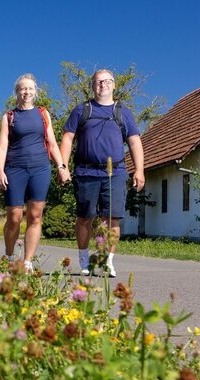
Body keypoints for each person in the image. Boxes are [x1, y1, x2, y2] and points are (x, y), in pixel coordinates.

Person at [59, 69, 145, 277]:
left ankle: (107, 261)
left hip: (115, 172)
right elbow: (68, 138)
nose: (102, 85)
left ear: (114, 85)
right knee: (84, 218)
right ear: (92, 86)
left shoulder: (122, 112)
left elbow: (134, 142)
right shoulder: (81, 111)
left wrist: (139, 170)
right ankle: (84, 258)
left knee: (112, 219)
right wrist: (62, 166)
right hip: (86, 172)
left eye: (106, 81)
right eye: (98, 82)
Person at [0, 73, 70, 273]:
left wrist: (61, 167)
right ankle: (10, 256)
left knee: (35, 216)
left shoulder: (43, 114)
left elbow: (52, 143)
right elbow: (2, 147)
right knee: (14, 217)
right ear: (17, 92)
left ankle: (27, 261)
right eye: (22, 88)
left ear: (35, 92)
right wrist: (0, 171)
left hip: (40, 168)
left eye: (30, 88)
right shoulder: (9, 116)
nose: (26, 92)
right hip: (15, 168)